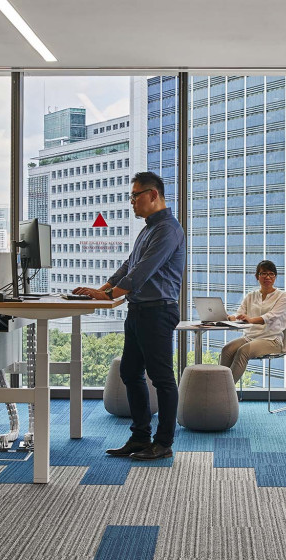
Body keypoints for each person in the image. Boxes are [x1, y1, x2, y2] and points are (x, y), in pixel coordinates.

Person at [75, 171, 185, 461]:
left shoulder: (168, 229)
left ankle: (163, 443)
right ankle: (139, 438)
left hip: (158, 311)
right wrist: (103, 288)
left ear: (153, 195)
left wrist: (108, 296)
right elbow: (129, 264)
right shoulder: (148, 228)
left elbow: (142, 272)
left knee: (162, 378)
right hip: (138, 310)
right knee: (129, 372)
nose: (131, 202)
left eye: (135, 196)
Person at [220, 260, 286, 383]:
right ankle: (222, 387)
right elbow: (240, 313)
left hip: (271, 340)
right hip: (250, 337)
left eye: (271, 274)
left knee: (243, 351)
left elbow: (271, 316)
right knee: (227, 349)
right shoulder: (251, 295)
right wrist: (229, 317)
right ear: (257, 276)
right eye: (263, 273)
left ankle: (225, 391)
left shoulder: (282, 296)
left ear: (275, 277)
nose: (267, 277)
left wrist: (251, 320)